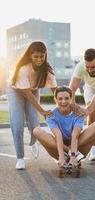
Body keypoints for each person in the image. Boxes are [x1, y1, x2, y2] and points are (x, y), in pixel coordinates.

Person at [7, 41, 57, 169]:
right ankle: (20, 158)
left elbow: (55, 91)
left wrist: (63, 106)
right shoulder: (23, 69)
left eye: (42, 56)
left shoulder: (47, 70)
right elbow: (27, 95)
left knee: (34, 123)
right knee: (17, 124)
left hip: (33, 89)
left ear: (45, 55)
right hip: (16, 91)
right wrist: (43, 111)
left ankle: (33, 143)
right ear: (30, 56)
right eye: (36, 56)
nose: (39, 59)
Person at [33, 86, 95, 168]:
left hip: (78, 147)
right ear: (55, 99)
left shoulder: (78, 113)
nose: (63, 101)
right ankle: (67, 154)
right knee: (36, 130)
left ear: (71, 99)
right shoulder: (51, 115)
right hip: (59, 150)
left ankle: (73, 156)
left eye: (66, 98)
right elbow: (58, 135)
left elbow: (75, 135)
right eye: (60, 99)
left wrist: (73, 156)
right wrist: (62, 156)